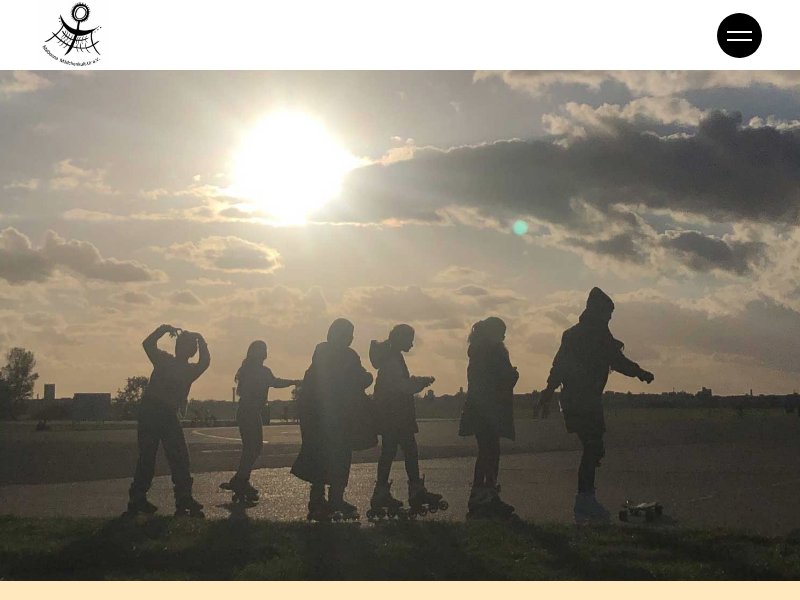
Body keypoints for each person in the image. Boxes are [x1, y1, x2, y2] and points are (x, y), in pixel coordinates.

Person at [538, 287, 654, 524]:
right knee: (593, 447)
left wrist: (548, 392)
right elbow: (617, 360)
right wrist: (639, 372)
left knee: (594, 448)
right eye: (607, 314)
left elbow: (558, 366)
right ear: (598, 311)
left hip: (577, 399)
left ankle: (586, 498)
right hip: (583, 400)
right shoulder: (595, 335)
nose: (609, 319)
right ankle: (584, 501)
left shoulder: (574, 334)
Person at [291, 318, 374, 520]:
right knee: (339, 456)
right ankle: (333, 498)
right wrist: (367, 378)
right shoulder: (346, 355)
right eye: (349, 334)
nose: (352, 338)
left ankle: (319, 499)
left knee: (320, 456)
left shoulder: (322, 352)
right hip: (335, 414)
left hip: (318, 413)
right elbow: (358, 378)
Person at [128, 324, 210, 517]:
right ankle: (181, 497)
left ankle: (140, 496)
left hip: (153, 412)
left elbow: (148, 344)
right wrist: (201, 340)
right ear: (190, 351)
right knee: (176, 457)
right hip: (160, 413)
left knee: (152, 457)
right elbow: (205, 361)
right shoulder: (185, 368)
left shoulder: (165, 361)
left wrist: (163, 330)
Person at [368, 324, 439, 516]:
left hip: (390, 413)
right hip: (396, 414)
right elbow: (401, 386)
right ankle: (414, 490)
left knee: (390, 452)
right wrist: (420, 382)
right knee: (409, 451)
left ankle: (382, 491)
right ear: (400, 339)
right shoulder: (392, 359)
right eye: (410, 340)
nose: (412, 344)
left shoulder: (390, 356)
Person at [223, 340, 301, 502]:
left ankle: (241, 479)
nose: (265, 353)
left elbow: (273, 382)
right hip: (250, 411)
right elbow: (276, 382)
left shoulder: (249, 370)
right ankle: (240, 480)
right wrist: (294, 382)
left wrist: (292, 382)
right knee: (254, 447)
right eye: (263, 350)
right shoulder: (261, 371)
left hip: (247, 410)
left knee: (251, 448)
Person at [459, 317, 519, 519]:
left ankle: (480, 493)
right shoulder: (494, 352)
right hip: (490, 409)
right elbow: (501, 379)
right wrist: (513, 376)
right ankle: (487, 494)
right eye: (501, 332)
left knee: (486, 451)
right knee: (491, 451)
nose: (504, 336)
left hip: (478, 409)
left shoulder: (476, 351)